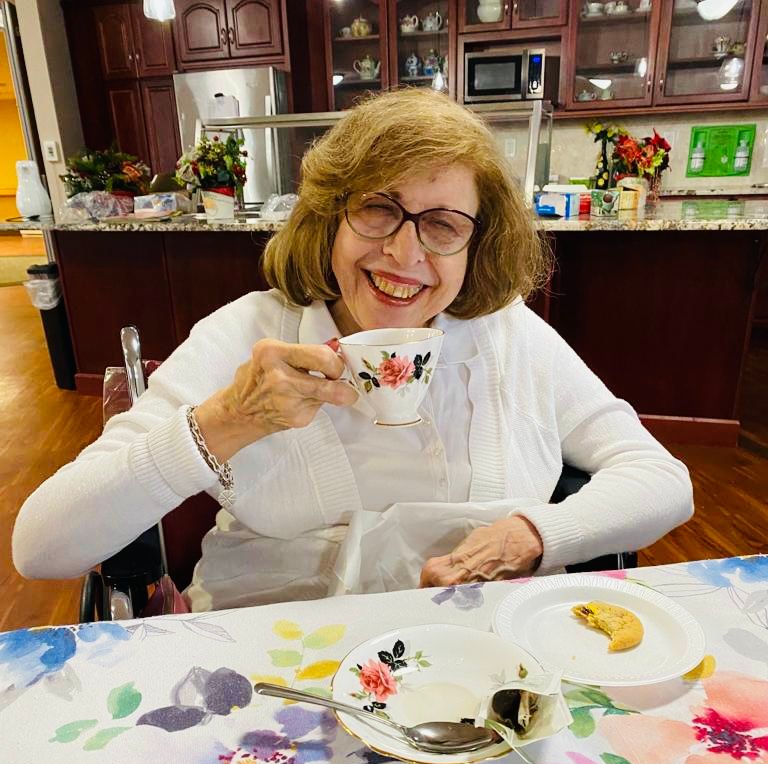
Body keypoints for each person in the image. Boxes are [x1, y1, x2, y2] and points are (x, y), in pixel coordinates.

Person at [13, 90, 693, 611]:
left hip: (482, 657)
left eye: (442, 224)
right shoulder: (248, 334)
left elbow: (665, 481)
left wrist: (532, 536)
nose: (405, 253)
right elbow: (41, 545)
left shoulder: (507, 335)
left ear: (475, 244)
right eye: (378, 209)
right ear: (332, 215)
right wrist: (228, 421)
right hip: (273, 664)